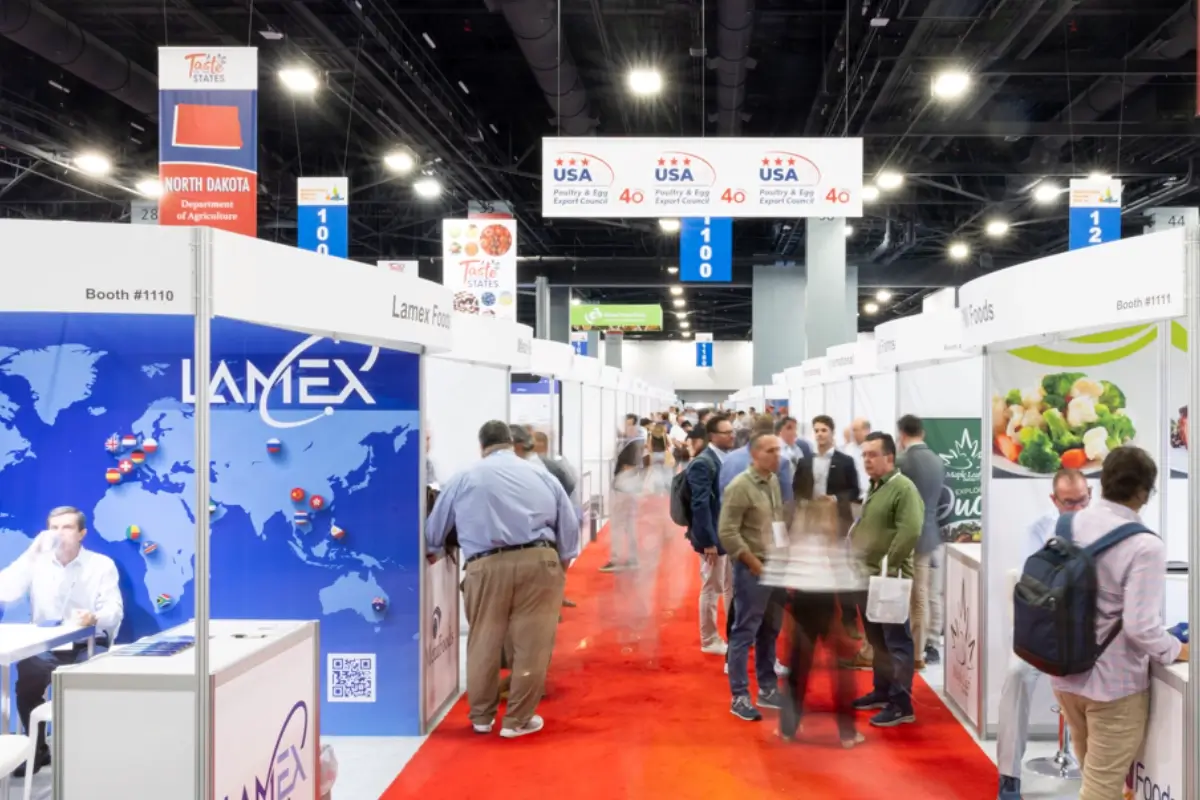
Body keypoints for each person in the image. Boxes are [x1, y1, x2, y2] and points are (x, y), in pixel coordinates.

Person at [425, 421, 580, 739]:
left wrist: (437, 549)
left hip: (484, 566)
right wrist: (558, 571)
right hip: (539, 561)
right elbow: (569, 531)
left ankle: (481, 718)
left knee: (483, 641)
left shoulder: (464, 477)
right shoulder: (542, 475)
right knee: (532, 646)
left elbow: (434, 532)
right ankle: (517, 720)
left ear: (482, 446)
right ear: (512, 443)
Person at [1051, 447, 1186, 800]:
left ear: (1103, 481)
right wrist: (1176, 648)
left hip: (1064, 673)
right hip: (1113, 684)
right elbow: (1141, 626)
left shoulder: (1068, 524)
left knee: (1093, 779)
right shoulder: (1144, 545)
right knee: (1101, 790)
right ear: (1144, 492)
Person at [0, 507, 122, 776]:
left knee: (87, 687)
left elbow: (114, 609)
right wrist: (31, 553)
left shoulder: (101, 564)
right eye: (53, 528)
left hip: (87, 642)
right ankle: (37, 749)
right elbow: (5, 591)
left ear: (81, 533)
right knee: (27, 685)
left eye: (66, 527)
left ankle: (86, 751)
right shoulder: (37, 563)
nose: (59, 533)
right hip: (47, 645)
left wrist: (95, 617)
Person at [997, 468, 1090, 800]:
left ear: (1091, 495)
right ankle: (1009, 775)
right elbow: (1034, 587)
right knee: (1017, 674)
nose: (1077, 509)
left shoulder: (1105, 531)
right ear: (1054, 500)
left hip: (1089, 634)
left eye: (1082, 501)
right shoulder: (1038, 531)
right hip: (1046, 630)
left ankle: (1105, 776)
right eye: (1069, 502)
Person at [764, 464, 864, 748]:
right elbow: (836, 553)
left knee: (798, 664)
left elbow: (778, 549)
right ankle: (847, 733)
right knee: (841, 666)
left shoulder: (790, 511)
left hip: (799, 593)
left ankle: (787, 728)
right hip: (824, 593)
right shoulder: (827, 511)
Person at [850, 431, 923, 727]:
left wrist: (887, 565)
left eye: (872, 455)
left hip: (888, 578)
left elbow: (910, 531)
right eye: (864, 455)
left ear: (889, 457)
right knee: (877, 639)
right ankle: (882, 691)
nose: (866, 460)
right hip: (867, 576)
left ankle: (901, 703)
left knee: (896, 642)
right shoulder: (876, 486)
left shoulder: (903, 488)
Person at [719, 431, 787, 721]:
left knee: (770, 630)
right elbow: (727, 532)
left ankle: (768, 688)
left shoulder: (772, 481)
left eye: (778, 450)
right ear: (755, 454)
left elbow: (777, 521)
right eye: (770, 450)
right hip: (752, 570)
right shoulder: (740, 487)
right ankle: (739, 696)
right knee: (744, 632)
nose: (777, 456)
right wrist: (753, 563)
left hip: (774, 567)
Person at [895, 415, 946, 671]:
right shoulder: (937, 461)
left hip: (905, 536)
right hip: (929, 534)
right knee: (923, 595)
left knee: (906, 595)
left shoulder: (902, 462)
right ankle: (919, 651)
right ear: (922, 433)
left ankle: (906, 650)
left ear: (902, 434)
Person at [687, 414, 736, 655]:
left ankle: (734, 631)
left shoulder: (724, 458)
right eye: (726, 433)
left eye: (731, 431)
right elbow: (700, 505)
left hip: (726, 535)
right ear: (713, 436)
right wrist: (708, 541)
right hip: (711, 538)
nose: (731, 436)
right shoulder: (703, 463)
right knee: (711, 587)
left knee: (729, 586)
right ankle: (709, 639)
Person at [515, 426, 579, 610]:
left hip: (552, 522)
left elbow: (568, 485)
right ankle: (554, 600)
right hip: (549, 523)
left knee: (554, 564)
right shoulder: (540, 465)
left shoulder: (548, 465)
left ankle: (554, 600)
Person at [601, 414, 646, 573]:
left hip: (624, 491)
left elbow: (629, 467)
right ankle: (632, 558)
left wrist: (620, 483)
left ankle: (617, 559)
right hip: (628, 490)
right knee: (629, 525)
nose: (627, 428)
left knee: (619, 525)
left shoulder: (633, 444)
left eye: (629, 425)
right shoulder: (635, 442)